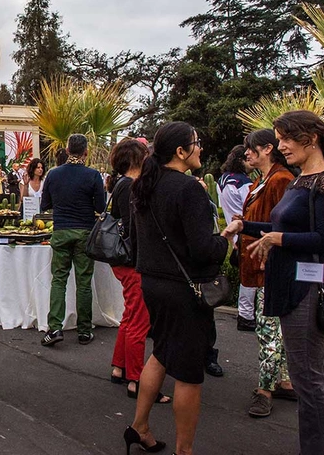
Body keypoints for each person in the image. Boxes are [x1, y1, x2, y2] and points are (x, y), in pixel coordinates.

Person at [226, 111, 324, 454]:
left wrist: (277, 240)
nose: (280, 146)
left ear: (310, 138)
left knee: (309, 381)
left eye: (285, 139)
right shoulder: (301, 178)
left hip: (308, 288)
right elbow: (286, 230)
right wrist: (246, 227)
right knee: (318, 379)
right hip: (295, 285)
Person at [125, 121, 231, 455]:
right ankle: (184, 451)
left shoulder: (144, 185)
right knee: (188, 374)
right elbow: (202, 249)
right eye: (196, 143)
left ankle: (139, 426)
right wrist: (225, 241)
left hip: (153, 284)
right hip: (186, 290)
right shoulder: (189, 190)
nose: (201, 148)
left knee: (160, 353)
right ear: (181, 151)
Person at [106, 140, 171, 405]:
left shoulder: (121, 184)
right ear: (137, 159)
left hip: (123, 261)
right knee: (139, 321)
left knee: (131, 314)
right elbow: (136, 228)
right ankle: (137, 379)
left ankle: (120, 367)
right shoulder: (131, 186)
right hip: (134, 261)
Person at [236, 129, 296, 418]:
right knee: (273, 329)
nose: (246, 153)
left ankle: (265, 389)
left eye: (251, 148)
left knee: (267, 329)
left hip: (269, 269)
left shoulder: (281, 181)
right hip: (258, 266)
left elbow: (284, 227)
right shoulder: (263, 181)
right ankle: (283, 380)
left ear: (268, 149)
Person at [39, 134, 105, 346]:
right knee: (83, 282)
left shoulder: (53, 174)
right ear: (85, 152)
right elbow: (100, 208)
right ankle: (84, 330)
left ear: (67, 151)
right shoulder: (93, 175)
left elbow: (45, 205)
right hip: (84, 232)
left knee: (59, 280)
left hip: (60, 231)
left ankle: (55, 328)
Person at [217, 145, 254, 331]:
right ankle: (246, 315)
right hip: (247, 230)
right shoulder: (244, 183)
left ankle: (245, 313)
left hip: (234, 230)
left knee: (246, 274)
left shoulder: (222, 180)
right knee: (251, 275)